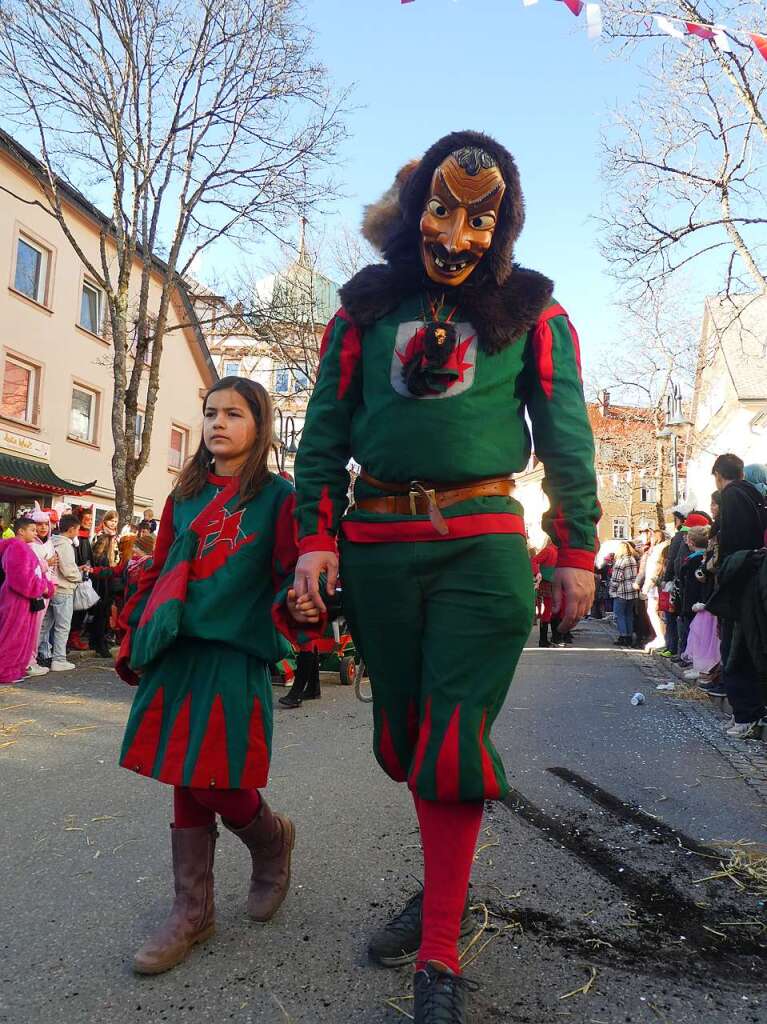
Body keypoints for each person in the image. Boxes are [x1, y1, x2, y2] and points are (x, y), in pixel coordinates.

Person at [290, 131, 599, 1022]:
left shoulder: (537, 314)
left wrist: (574, 552)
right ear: (415, 204)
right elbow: (322, 436)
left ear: (503, 224)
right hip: (376, 546)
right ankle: (442, 896)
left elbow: (568, 438)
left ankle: (437, 950)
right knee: (404, 742)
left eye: (480, 217)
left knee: (453, 744)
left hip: (483, 547)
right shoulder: (360, 311)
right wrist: (315, 541)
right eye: (441, 209)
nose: (457, 235)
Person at [115, 377, 320, 976]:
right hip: (178, 651)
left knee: (218, 779)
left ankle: (268, 838)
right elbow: (158, 572)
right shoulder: (184, 496)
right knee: (183, 773)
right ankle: (193, 910)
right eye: (210, 413)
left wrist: (302, 602)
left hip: (234, 653)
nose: (218, 423)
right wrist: (138, 631)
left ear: (259, 427)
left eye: (234, 413)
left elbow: (289, 573)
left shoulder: (279, 498)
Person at [707, 453, 767, 736]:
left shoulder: (732, 496)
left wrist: (721, 568)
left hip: (739, 584)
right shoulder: (753, 494)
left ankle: (745, 715)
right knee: (741, 647)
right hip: (749, 580)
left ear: (719, 475)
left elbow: (732, 544)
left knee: (736, 649)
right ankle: (745, 713)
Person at [0, 516, 56, 683]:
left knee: (21, 637)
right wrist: (44, 587)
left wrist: (44, 585)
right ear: (21, 531)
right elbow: (21, 579)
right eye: (32, 529)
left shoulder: (20, 547)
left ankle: (15, 669)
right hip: (17, 601)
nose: (36, 532)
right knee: (12, 637)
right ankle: (5, 671)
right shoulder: (18, 547)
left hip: (23, 601)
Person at [37, 514, 82, 671]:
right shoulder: (64, 544)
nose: (78, 532)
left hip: (51, 589)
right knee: (62, 627)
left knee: (43, 625)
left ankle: (32, 656)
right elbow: (68, 569)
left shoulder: (51, 542)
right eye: (77, 529)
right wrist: (79, 576)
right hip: (63, 589)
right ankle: (59, 659)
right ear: (71, 529)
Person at [640, 530, 669, 651]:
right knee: (653, 610)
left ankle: (662, 636)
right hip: (653, 584)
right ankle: (660, 635)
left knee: (655, 610)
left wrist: (648, 585)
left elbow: (656, 569)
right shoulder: (656, 549)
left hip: (655, 585)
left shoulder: (659, 550)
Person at [609, 541, 639, 646]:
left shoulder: (620, 561)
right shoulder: (632, 560)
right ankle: (629, 636)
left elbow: (616, 578)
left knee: (619, 615)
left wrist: (612, 590)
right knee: (629, 614)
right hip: (632, 591)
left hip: (621, 591)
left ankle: (623, 636)